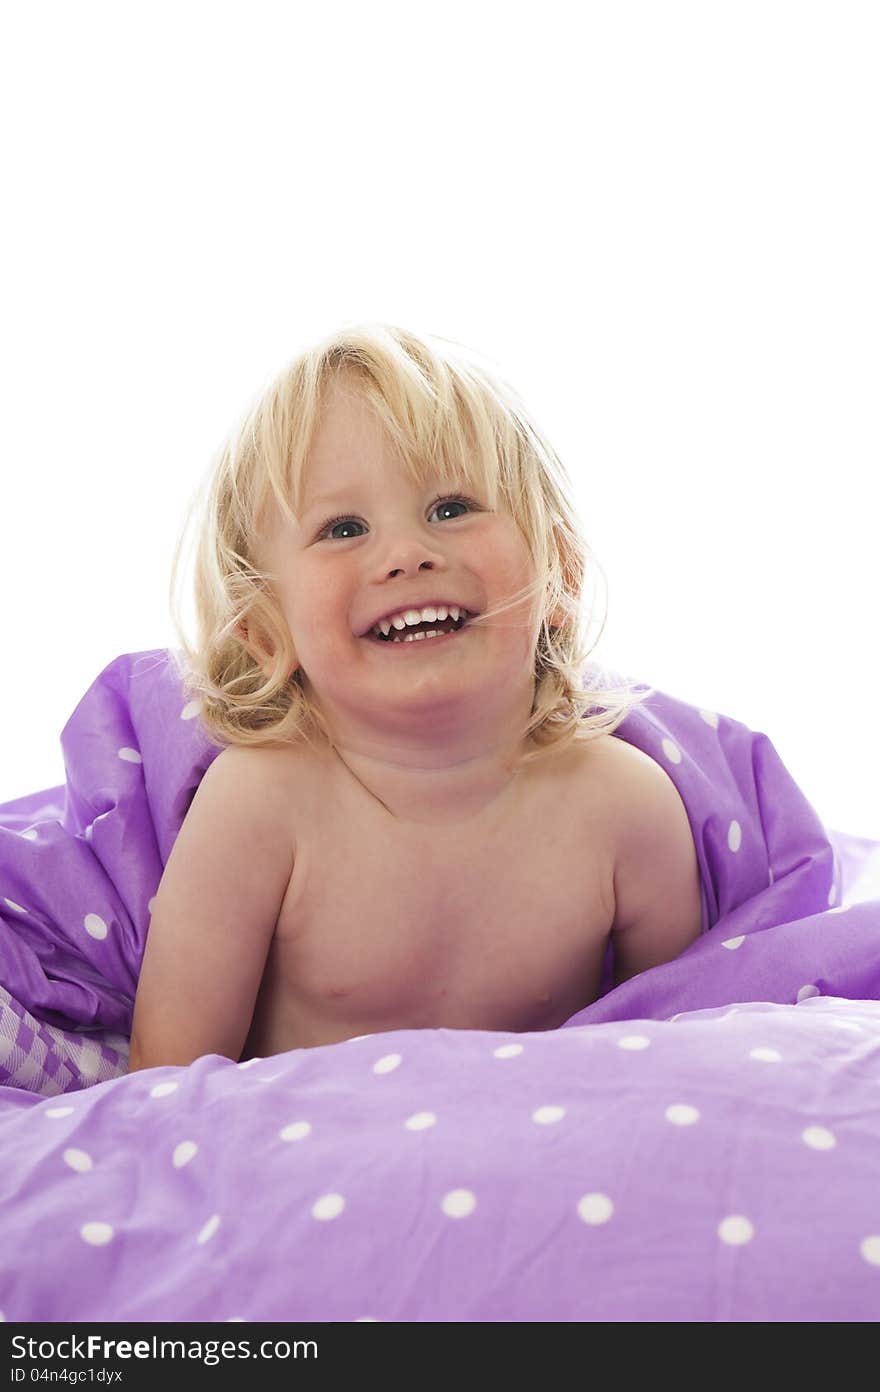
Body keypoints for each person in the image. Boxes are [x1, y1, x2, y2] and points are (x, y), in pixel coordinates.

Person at [127, 322, 703, 1071]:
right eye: (343, 528)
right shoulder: (261, 804)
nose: (406, 554)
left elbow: (690, 1060)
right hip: (296, 1177)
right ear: (265, 633)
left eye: (451, 508)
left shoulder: (627, 808)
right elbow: (163, 1087)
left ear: (559, 574)